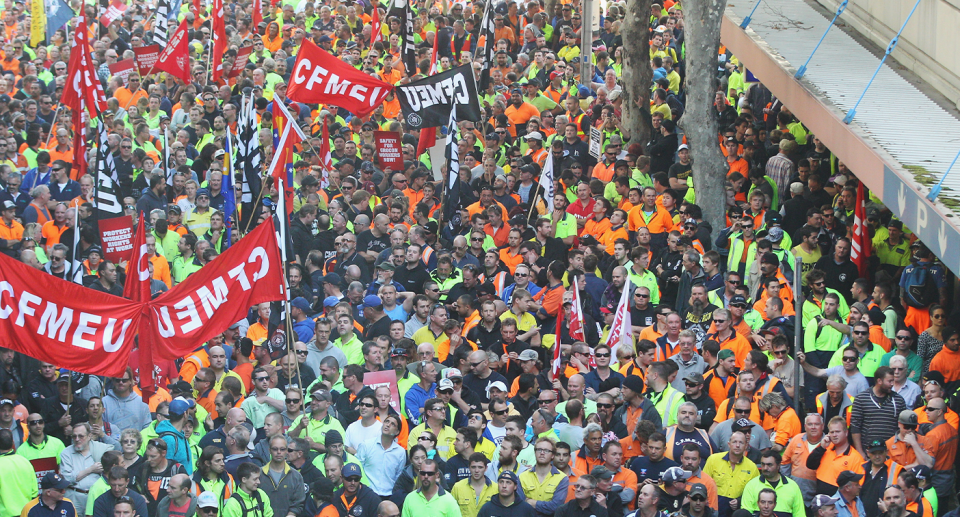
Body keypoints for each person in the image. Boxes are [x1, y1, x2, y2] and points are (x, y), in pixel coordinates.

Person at [702, 431, 758, 517]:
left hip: (736, 511)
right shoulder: (713, 460)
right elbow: (703, 483)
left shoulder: (752, 467)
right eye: (734, 442)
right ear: (729, 444)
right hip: (712, 507)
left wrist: (739, 501)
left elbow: (754, 491)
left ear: (746, 446)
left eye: (741, 443)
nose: (737, 445)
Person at [739, 450, 804, 517]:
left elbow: (799, 514)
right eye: (763, 464)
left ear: (778, 466)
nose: (765, 468)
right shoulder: (752, 485)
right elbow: (746, 513)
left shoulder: (792, 486)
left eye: (769, 465)